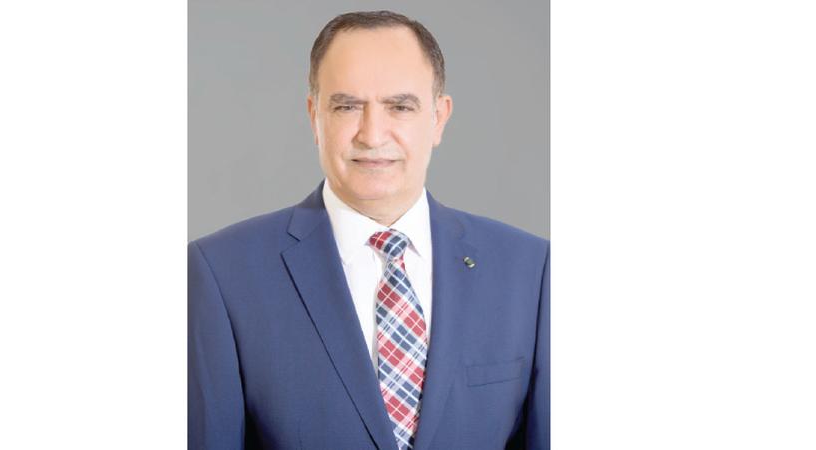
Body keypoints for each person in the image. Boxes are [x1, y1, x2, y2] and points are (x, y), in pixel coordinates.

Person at [189, 10, 548, 449]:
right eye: (347, 106)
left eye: (400, 107)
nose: (372, 135)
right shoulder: (221, 274)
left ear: (438, 118)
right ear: (314, 117)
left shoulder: (531, 271)